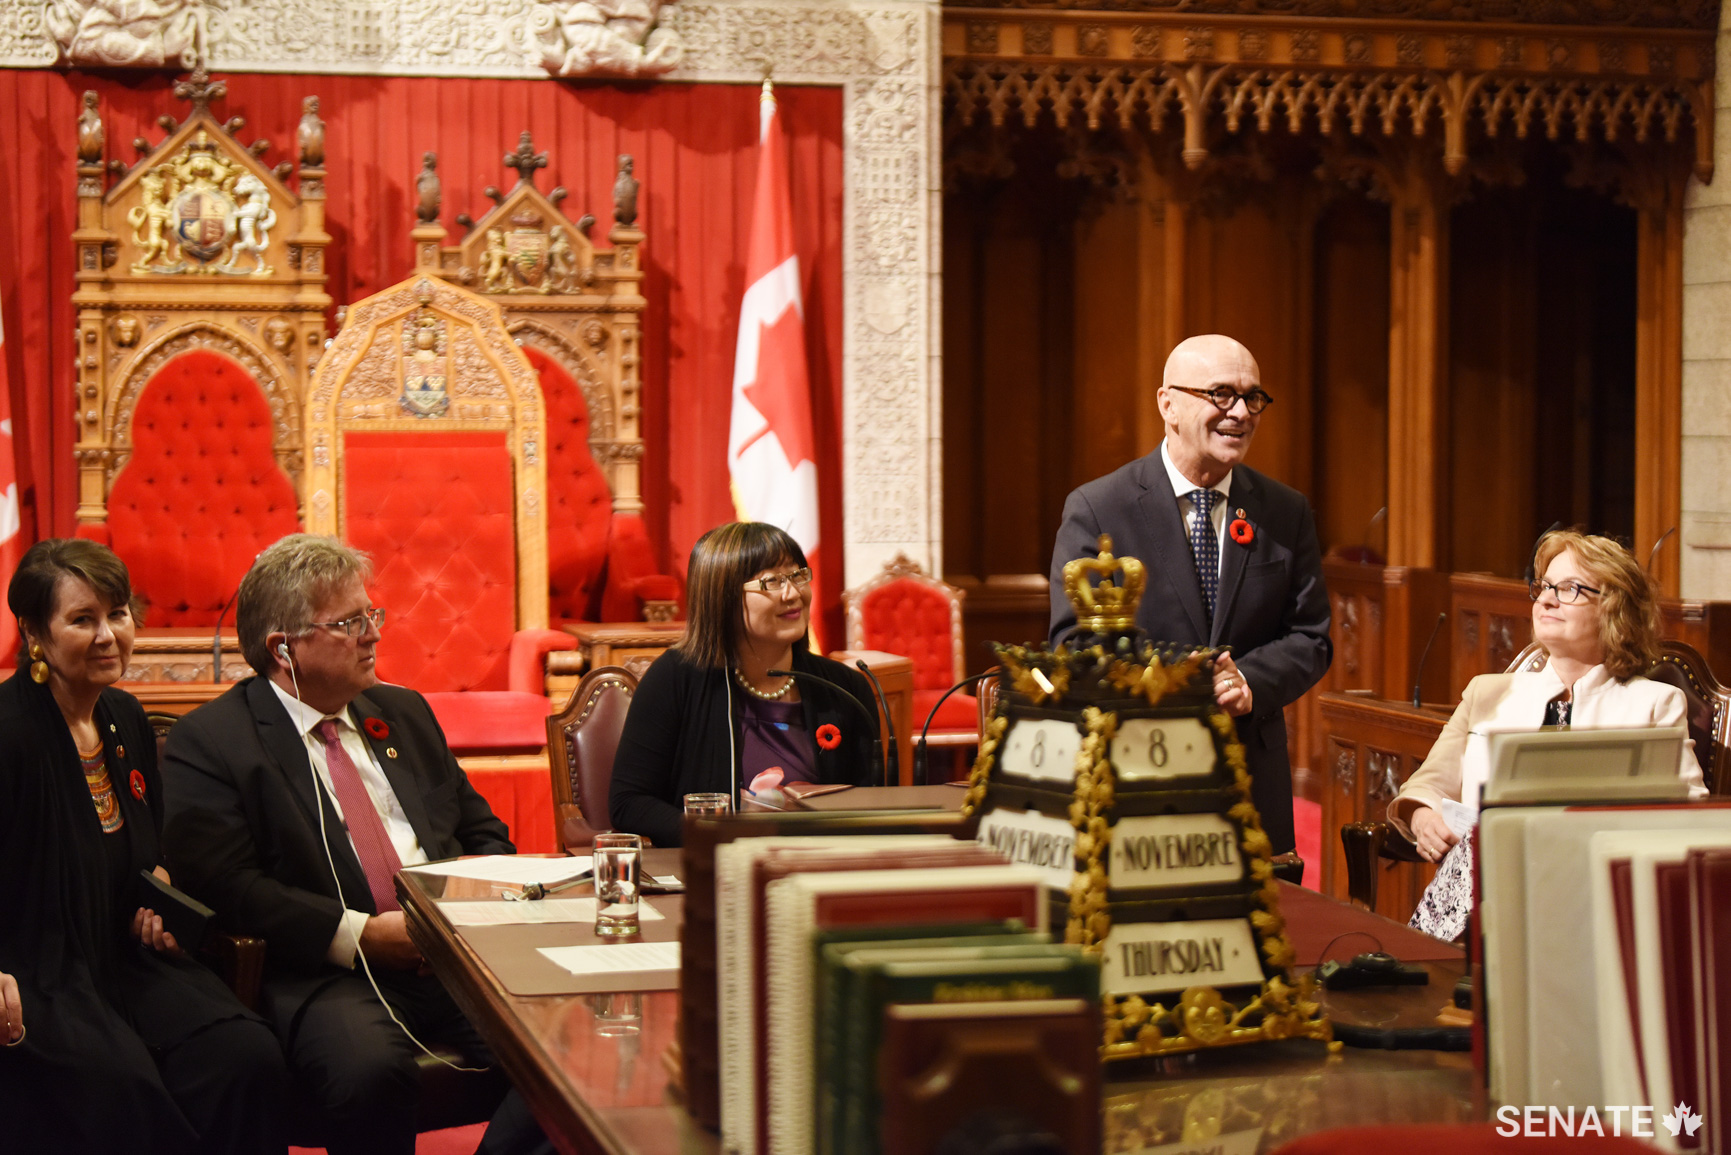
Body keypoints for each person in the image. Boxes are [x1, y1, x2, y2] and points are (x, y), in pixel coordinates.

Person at [159, 534, 545, 1155]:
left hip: (455, 958)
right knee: (368, 1072)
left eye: (372, 615)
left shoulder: (402, 711)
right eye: (349, 622)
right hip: (325, 971)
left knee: (566, 1048)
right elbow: (228, 887)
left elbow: (481, 830)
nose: (373, 634)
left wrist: (474, 891)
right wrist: (360, 935)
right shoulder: (212, 743)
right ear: (283, 648)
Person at [0, 539, 287, 1154]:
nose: (109, 635)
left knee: (244, 1056)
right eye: (82, 620)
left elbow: (147, 854)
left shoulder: (125, 717)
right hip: (35, 968)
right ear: (32, 631)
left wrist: (158, 899)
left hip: (124, 955)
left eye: (118, 613)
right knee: (120, 1092)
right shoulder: (7, 733)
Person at [1048, 334, 1331, 854]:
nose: (1240, 412)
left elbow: (1311, 637)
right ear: (1168, 404)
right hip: (1137, 770)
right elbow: (1073, 645)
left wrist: (1248, 680)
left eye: (1252, 398)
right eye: (1221, 394)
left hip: (1249, 773)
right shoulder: (1098, 508)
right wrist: (1183, 678)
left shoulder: (1284, 511)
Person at [1390, 530, 1707, 941]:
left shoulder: (1655, 704)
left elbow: (1689, 817)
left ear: (1614, 609)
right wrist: (1424, 815)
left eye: (1570, 589)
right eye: (1543, 587)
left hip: (1592, 901)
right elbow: (1428, 784)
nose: (1546, 599)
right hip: (1483, 899)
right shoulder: (1487, 693)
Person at [610, 522, 881, 846]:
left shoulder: (845, 689)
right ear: (722, 597)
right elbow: (630, 803)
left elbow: (872, 806)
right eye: (772, 582)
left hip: (818, 871)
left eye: (797, 576)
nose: (793, 593)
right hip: (713, 875)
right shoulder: (676, 678)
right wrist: (719, 834)